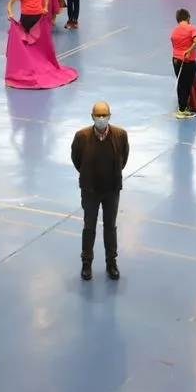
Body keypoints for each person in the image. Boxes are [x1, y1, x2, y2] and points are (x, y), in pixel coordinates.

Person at [71, 101, 130, 280]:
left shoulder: (120, 135)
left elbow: (124, 158)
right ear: (92, 117)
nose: (101, 119)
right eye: (98, 115)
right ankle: (86, 263)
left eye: (105, 115)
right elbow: (76, 159)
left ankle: (111, 262)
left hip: (111, 190)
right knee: (89, 228)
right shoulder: (81, 136)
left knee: (110, 227)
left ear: (110, 116)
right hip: (90, 191)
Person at [170, 8, 196, 119]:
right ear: (188, 18)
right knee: (186, 85)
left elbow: (174, 45)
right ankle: (182, 110)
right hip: (188, 62)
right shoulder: (192, 28)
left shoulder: (174, 31)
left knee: (180, 83)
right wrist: (189, 50)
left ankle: (182, 106)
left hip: (175, 61)